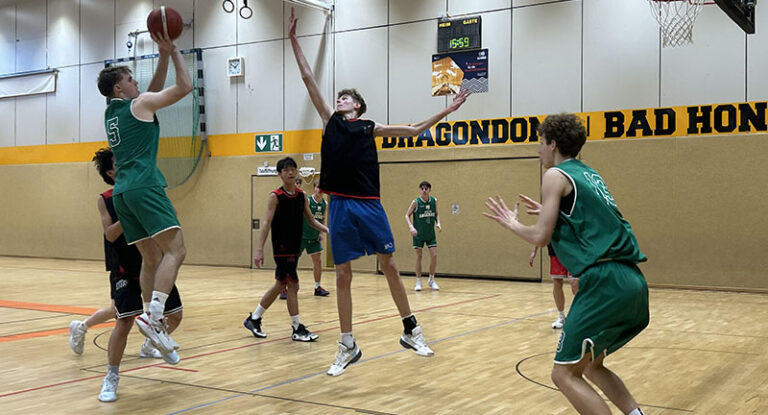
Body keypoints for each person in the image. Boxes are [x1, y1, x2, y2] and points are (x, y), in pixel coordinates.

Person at [289, 8, 471, 376]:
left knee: (389, 264)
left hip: (369, 204)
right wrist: (293, 40)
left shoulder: (371, 127)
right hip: (340, 205)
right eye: (338, 98)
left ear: (358, 106)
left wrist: (447, 111)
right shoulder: (330, 123)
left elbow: (415, 130)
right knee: (343, 274)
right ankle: (347, 345)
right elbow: (309, 78)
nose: (339, 100)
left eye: (346, 98)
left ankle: (410, 330)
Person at [483, 113, 648, 415]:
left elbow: (540, 237)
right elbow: (588, 222)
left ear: (553, 143)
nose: (538, 150)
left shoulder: (554, 176)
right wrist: (550, 211)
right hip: (631, 280)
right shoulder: (588, 174)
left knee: (562, 374)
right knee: (593, 366)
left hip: (604, 281)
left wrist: (511, 223)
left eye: (540, 143)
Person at [97, 30, 192, 356]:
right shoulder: (139, 104)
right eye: (129, 79)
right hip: (145, 185)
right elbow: (184, 88)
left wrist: (162, 55)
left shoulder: (114, 112)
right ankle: (154, 318)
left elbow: (148, 93)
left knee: (151, 257)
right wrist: (176, 51)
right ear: (118, 87)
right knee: (176, 250)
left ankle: (155, 325)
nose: (136, 82)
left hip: (122, 193)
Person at [88, 148, 183, 403]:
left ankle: (150, 343)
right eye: (119, 162)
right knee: (125, 322)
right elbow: (109, 234)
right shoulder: (106, 198)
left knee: (176, 315)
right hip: (125, 268)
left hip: (153, 264)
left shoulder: (145, 187)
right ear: (111, 171)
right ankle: (111, 376)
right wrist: (129, 214)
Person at [243, 157, 329, 342]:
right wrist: (259, 250)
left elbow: (311, 220)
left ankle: (255, 318)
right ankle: (296, 327)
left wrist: (328, 230)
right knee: (292, 284)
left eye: (293, 169)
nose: (290, 172)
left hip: (294, 246)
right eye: (286, 170)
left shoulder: (301, 196)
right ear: (279, 174)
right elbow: (266, 223)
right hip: (281, 247)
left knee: (282, 284)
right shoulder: (275, 196)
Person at [529, 243, 579, 329]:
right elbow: (541, 230)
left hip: (573, 248)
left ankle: (579, 316)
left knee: (574, 283)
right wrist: (534, 250)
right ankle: (561, 317)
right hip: (556, 250)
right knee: (557, 281)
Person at [405, 181, 441, 291]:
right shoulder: (416, 202)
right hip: (418, 234)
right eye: (422, 188)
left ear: (430, 189)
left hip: (430, 233)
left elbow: (436, 214)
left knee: (434, 255)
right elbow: (406, 215)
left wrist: (438, 222)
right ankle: (418, 282)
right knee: (419, 256)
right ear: (420, 190)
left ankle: (431, 279)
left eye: (426, 188)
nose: (424, 190)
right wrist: (411, 227)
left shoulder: (434, 201)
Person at [299, 178, 330, 297]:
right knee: (292, 261)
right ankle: (284, 287)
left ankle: (317, 287)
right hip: (301, 236)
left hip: (314, 237)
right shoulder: (307, 200)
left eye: (322, 188)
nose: (320, 190)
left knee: (318, 261)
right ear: (314, 188)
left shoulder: (324, 204)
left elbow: (322, 218)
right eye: (318, 187)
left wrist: (321, 233)